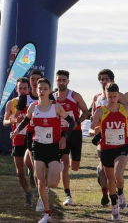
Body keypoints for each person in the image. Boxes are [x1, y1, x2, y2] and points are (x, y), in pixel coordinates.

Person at [12, 78, 76, 223]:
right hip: (38, 146)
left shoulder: (56, 107)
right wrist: (16, 131)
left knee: (52, 183)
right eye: (39, 88)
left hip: (53, 147)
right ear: (37, 90)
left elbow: (72, 122)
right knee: (40, 181)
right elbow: (26, 122)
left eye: (45, 88)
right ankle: (47, 213)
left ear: (49, 90)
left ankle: (57, 169)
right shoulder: (33, 107)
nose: (41, 91)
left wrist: (64, 137)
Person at [89, 82, 128, 221]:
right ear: (106, 95)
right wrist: (94, 131)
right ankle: (114, 206)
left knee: (118, 175)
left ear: (118, 95)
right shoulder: (100, 111)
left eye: (114, 96)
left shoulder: (125, 109)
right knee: (110, 179)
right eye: (110, 96)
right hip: (107, 148)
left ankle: (120, 193)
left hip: (122, 147)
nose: (112, 99)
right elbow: (91, 128)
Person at [15, 69, 54, 212]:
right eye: (32, 78)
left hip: (42, 136)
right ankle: (38, 185)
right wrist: (16, 122)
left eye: (38, 79)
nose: (34, 81)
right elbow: (18, 116)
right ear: (30, 80)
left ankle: (41, 190)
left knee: (35, 165)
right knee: (27, 165)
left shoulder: (49, 98)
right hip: (27, 135)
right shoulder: (25, 98)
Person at [91, 69, 128, 206]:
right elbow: (93, 116)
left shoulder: (117, 94)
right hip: (102, 137)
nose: (104, 81)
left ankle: (117, 192)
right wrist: (94, 128)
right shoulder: (97, 97)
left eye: (107, 79)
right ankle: (105, 194)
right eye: (101, 78)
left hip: (118, 135)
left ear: (112, 80)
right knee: (103, 168)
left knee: (115, 172)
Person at [54, 70, 90, 206]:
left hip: (75, 133)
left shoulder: (74, 95)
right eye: (59, 80)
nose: (61, 82)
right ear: (56, 81)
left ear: (68, 81)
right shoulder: (52, 98)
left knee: (75, 167)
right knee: (64, 164)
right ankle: (68, 195)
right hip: (60, 134)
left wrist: (78, 122)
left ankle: (69, 159)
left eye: (64, 80)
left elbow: (86, 111)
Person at [3, 77, 33, 206]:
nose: (22, 91)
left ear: (29, 89)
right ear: (16, 89)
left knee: (31, 163)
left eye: (25, 88)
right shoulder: (11, 103)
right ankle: (28, 193)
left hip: (32, 136)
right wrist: (13, 120)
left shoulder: (33, 102)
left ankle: (33, 174)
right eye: (20, 88)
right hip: (18, 137)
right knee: (19, 173)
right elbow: (5, 122)